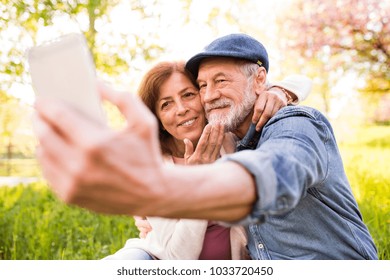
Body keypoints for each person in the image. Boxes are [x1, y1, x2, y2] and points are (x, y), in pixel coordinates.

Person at [34, 33, 377, 259]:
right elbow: (173, 255)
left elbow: (278, 170)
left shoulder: (291, 123)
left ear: (260, 80)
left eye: (219, 82)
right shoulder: (233, 137)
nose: (208, 95)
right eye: (203, 85)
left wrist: (161, 189)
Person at [103, 61, 311, 260]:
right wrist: (197, 184)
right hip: (159, 260)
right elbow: (178, 259)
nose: (181, 109)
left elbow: (303, 81)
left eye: (188, 95)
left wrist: (279, 91)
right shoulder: (153, 169)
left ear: (204, 97)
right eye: (166, 104)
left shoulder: (229, 138)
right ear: (157, 119)